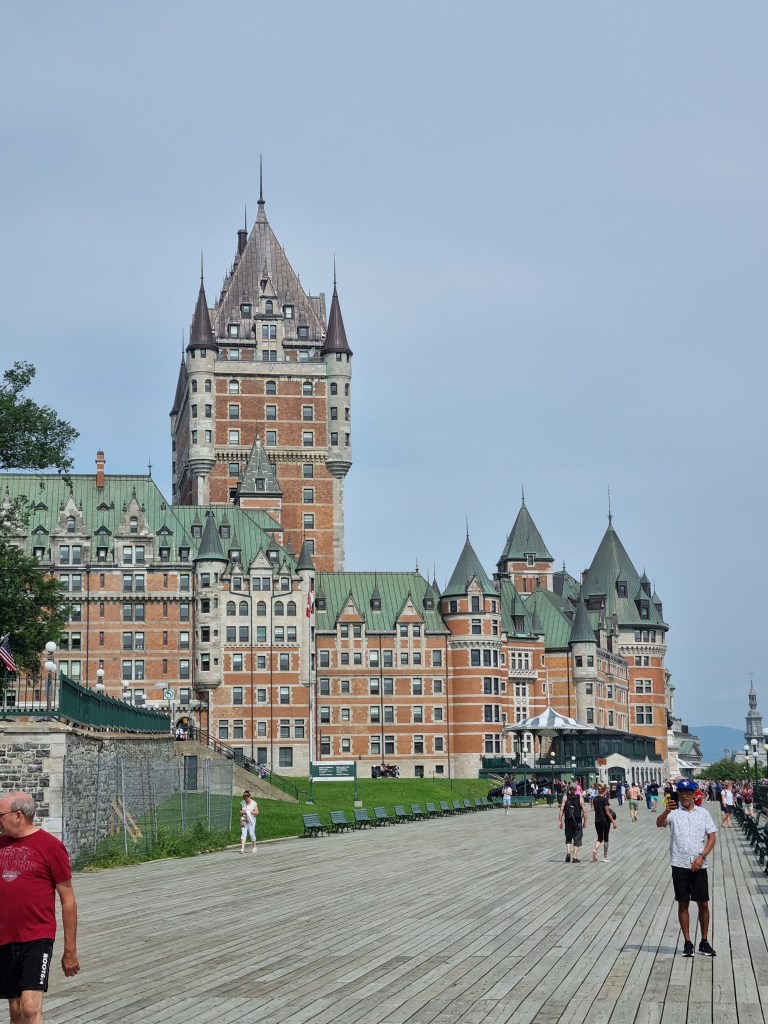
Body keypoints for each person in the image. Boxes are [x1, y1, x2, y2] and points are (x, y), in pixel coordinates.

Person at [0, 790, 80, 1023]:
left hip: (37, 936)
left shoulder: (50, 847)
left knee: (30, 1008)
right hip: (5, 936)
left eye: (1, 815)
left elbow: (68, 900)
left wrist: (70, 949)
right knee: (16, 1010)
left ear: (18, 815)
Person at [657, 779, 717, 957]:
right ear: (678, 794)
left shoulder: (703, 813)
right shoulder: (673, 814)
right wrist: (666, 811)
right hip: (679, 863)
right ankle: (687, 942)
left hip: (699, 864)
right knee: (683, 903)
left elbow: (712, 837)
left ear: (693, 794)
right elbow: (659, 823)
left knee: (703, 903)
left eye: (688, 792)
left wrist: (702, 856)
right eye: (682, 792)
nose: (685, 796)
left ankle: (704, 941)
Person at [559, 783, 588, 863]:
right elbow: (584, 810)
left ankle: (568, 853)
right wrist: (585, 821)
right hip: (577, 820)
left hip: (568, 820)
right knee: (577, 838)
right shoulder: (580, 797)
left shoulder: (565, 797)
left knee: (568, 837)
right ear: (576, 789)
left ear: (569, 789)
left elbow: (561, 809)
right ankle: (575, 857)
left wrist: (560, 820)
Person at [591, 782, 617, 862]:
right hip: (605, 820)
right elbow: (607, 812)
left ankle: (595, 849)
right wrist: (613, 821)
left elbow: (594, 809)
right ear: (604, 790)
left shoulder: (595, 799)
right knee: (606, 838)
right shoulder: (605, 799)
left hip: (597, 820)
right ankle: (605, 856)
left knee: (599, 838)